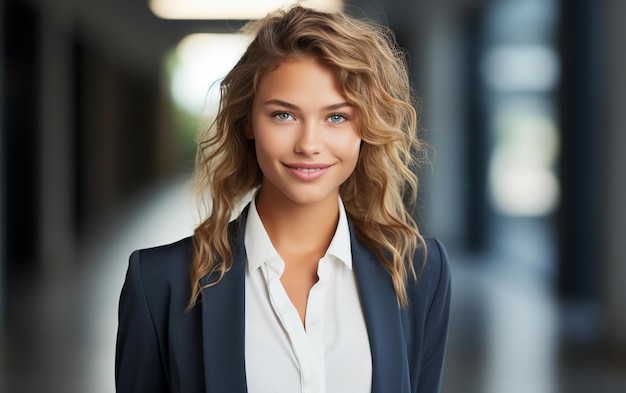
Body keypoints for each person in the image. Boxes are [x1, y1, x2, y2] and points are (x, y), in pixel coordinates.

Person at [115, 5, 451, 393]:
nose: (309, 144)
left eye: (337, 117)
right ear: (247, 121)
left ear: (367, 127)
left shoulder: (419, 272)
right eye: (284, 115)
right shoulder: (161, 282)